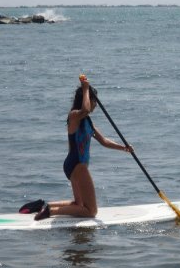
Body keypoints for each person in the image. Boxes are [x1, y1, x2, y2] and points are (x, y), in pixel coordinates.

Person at [29, 75, 133, 221]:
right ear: (87, 99)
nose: (96, 104)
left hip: (75, 165)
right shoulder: (74, 116)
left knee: (79, 204)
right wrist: (85, 89)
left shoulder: (88, 122)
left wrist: (124, 148)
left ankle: (46, 206)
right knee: (91, 211)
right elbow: (85, 109)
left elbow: (103, 141)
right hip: (77, 165)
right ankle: (51, 212)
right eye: (94, 100)